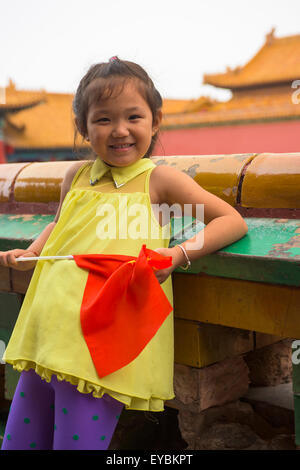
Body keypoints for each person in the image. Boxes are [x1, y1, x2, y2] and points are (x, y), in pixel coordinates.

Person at [0, 57, 248, 450]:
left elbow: (230, 221)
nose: (120, 131)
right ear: (83, 127)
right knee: (19, 442)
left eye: (133, 116)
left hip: (100, 340)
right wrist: (30, 252)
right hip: (47, 330)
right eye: (103, 120)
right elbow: (59, 226)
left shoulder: (158, 180)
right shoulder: (77, 176)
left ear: (155, 120)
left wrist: (176, 256)